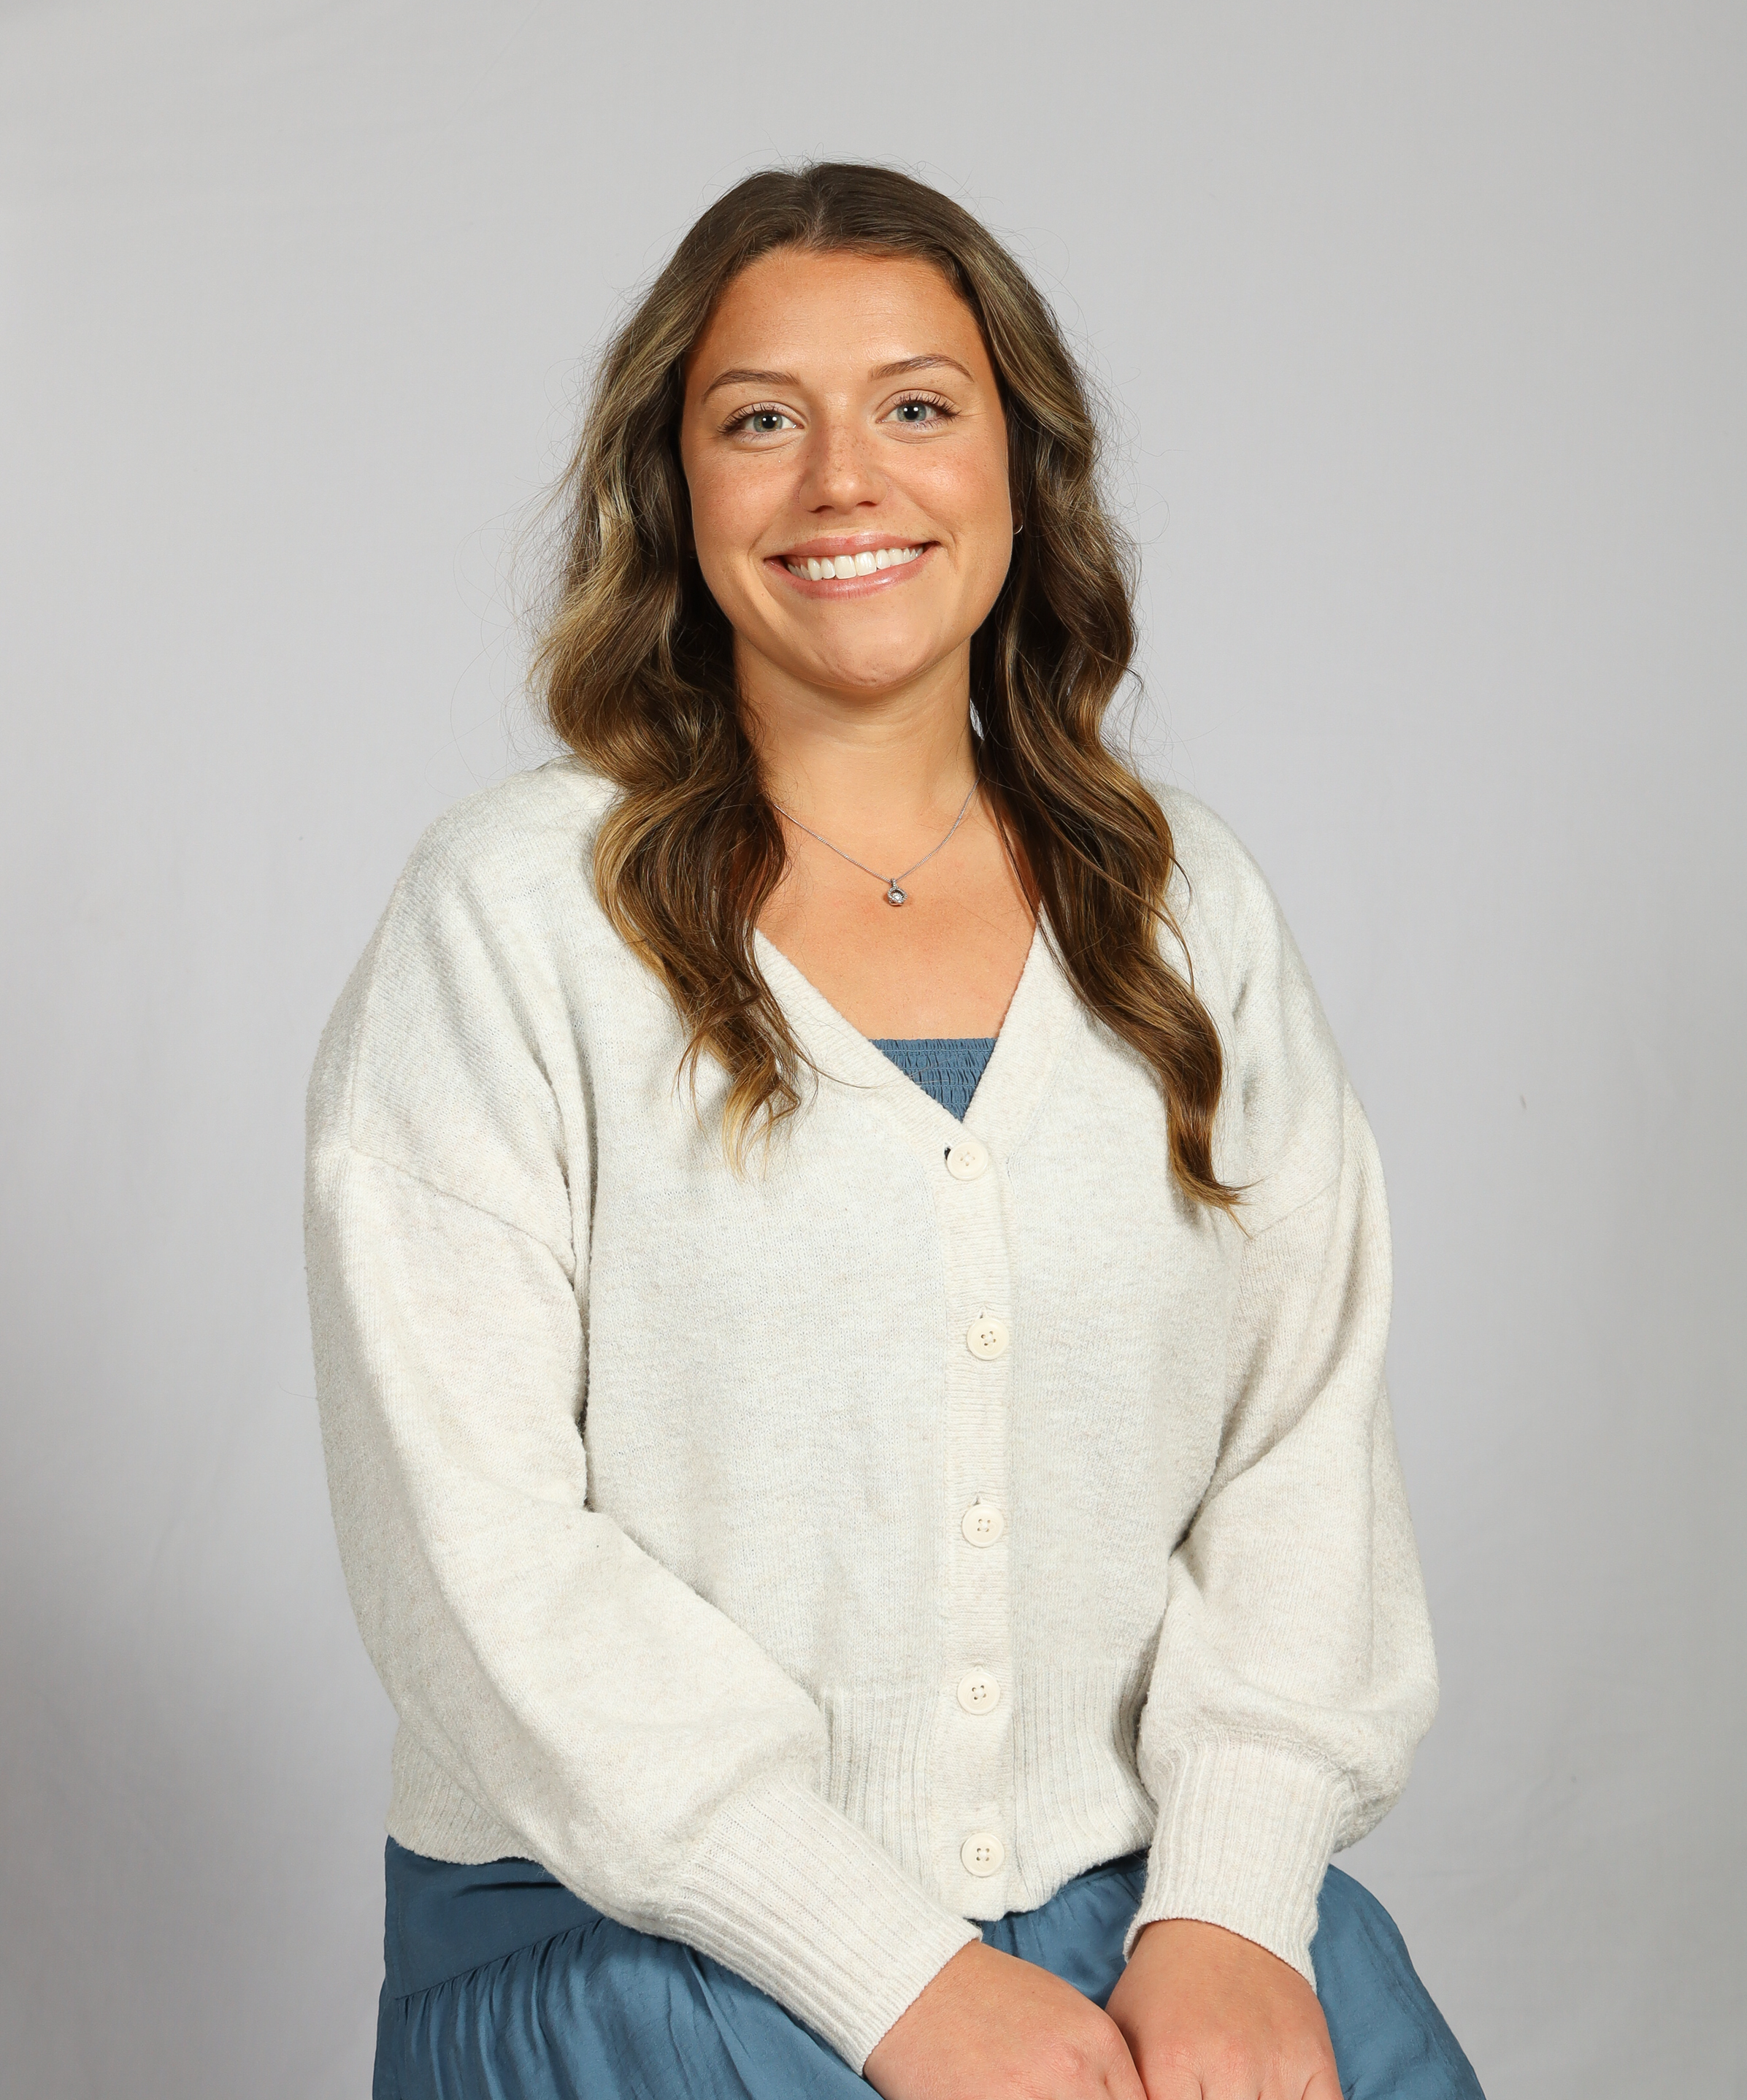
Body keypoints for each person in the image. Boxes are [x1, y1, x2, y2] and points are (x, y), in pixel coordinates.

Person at [305, 163, 1484, 2099]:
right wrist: (892, 1976)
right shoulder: (511, 918)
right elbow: (474, 1547)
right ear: (674, 489)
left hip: (1168, 1934)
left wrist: (1234, 1909)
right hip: (655, 1948)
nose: (844, 480)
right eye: (760, 421)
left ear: (1021, 467)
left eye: (918, 406)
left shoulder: (1186, 908)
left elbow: (1303, 1445)